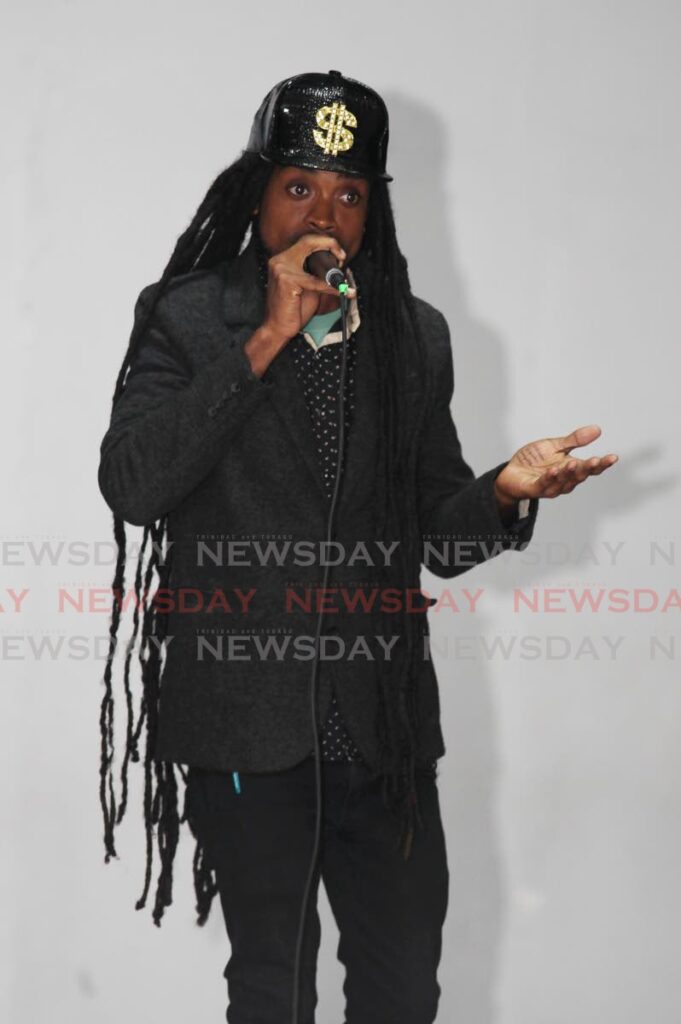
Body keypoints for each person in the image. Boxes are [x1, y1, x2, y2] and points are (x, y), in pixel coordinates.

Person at [97, 70, 618, 1023]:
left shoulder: (413, 337)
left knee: (401, 986)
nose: (323, 212)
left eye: (349, 193)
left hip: (380, 727)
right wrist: (263, 341)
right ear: (255, 192)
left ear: (373, 208)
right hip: (245, 715)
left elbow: (436, 536)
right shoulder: (184, 318)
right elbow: (133, 484)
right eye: (299, 185)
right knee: (271, 987)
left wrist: (504, 490)